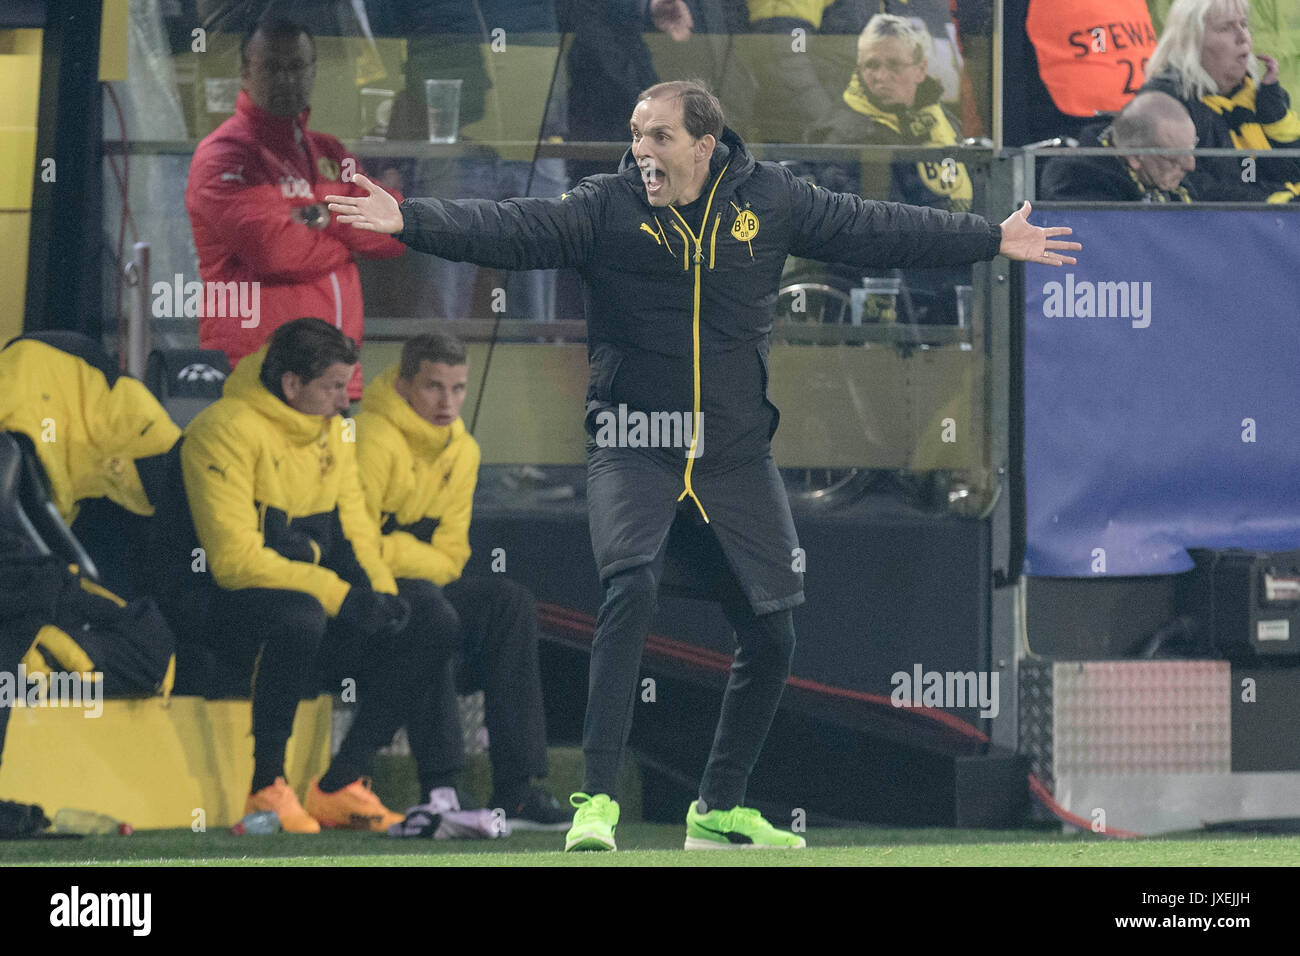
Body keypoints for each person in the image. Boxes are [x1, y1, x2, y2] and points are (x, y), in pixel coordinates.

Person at [325, 80, 1079, 851]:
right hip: (633, 443)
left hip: (732, 455)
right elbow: (515, 228)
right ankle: (596, 805)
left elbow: (876, 229)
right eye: (634, 134)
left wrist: (991, 238)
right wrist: (408, 218)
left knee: (774, 631)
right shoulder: (603, 206)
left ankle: (717, 810)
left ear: (703, 146)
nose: (640, 151)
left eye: (657, 137)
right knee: (632, 585)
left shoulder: (772, 200)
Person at [178, 318, 457, 833]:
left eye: (346, 387)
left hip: (303, 597)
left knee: (427, 617)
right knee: (301, 615)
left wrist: (380, 594)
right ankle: (266, 786)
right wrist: (341, 597)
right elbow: (233, 561)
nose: (343, 402)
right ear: (291, 384)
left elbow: (354, 529)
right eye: (332, 387)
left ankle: (340, 782)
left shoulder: (335, 433)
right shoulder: (223, 431)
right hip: (219, 606)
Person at [354, 332, 571, 831]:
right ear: (405, 384)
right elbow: (358, 547)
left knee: (509, 602)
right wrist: (413, 556)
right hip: (368, 603)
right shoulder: (369, 436)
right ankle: (440, 789)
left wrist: (404, 552)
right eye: (433, 387)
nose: (447, 402)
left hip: (422, 588)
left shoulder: (464, 452)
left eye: (458, 389)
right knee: (434, 615)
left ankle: (516, 792)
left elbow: (453, 558)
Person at [185, 18, 405, 401]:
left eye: (297, 67)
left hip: (335, 380)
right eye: (272, 67)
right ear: (244, 73)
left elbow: (397, 228)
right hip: (260, 378)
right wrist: (348, 233)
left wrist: (319, 217)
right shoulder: (223, 155)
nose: (287, 79)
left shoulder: (330, 152)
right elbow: (275, 251)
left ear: (313, 71)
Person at [808, 14, 974, 321]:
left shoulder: (943, 122)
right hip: (884, 288)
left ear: (920, 69)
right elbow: (874, 224)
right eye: (871, 65)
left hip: (942, 272)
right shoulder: (841, 133)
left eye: (894, 65)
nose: (881, 77)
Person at [1141, 0, 1300, 202]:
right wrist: (1275, 202)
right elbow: (1193, 188)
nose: (1243, 37)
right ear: (1191, 42)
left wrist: (1276, 118)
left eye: (1243, 25)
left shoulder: (1261, 97)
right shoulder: (1167, 105)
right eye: (1225, 28)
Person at [1040, 91, 1199, 202]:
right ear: (1134, 156)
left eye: (1192, 149)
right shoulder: (1074, 181)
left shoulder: (1165, 173)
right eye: (1174, 158)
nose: (1190, 165)